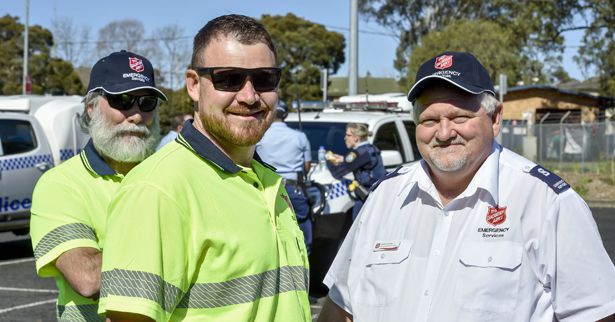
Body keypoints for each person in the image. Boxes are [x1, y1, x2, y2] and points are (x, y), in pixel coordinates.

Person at [318, 51, 615, 322]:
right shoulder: (384, 196)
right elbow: (340, 308)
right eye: (430, 120)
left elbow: (596, 314)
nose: (444, 133)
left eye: (460, 116)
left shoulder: (546, 202)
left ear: (495, 118)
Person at [97, 14, 311, 321]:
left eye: (264, 79)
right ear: (194, 85)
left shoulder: (267, 181)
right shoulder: (158, 189)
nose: (249, 96)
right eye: (229, 78)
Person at [29, 50, 166, 321]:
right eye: (123, 100)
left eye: (146, 102)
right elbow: (87, 278)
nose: (136, 115)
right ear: (90, 108)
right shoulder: (60, 184)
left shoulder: (171, 172)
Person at [256, 101, 313, 253]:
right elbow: (307, 165)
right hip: (294, 187)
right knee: (301, 221)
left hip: (267, 187)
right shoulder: (299, 136)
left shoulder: (260, 135)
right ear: (286, 115)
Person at [325, 123, 386, 220]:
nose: (345, 138)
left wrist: (328, 159)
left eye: (348, 135)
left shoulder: (359, 153)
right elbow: (355, 162)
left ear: (356, 138)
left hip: (366, 199)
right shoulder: (369, 148)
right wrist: (342, 159)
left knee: (358, 232)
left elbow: (337, 172)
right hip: (376, 197)